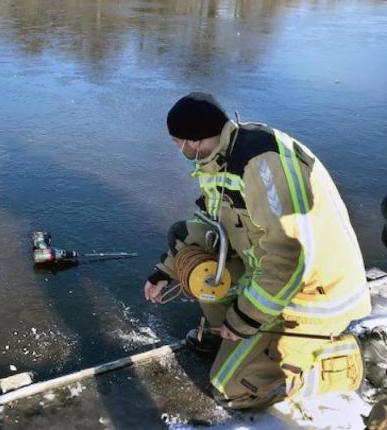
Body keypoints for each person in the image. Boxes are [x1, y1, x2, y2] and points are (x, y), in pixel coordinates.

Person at [144, 92, 371, 409]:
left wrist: (243, 320)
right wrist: (165, 271)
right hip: (268, 275)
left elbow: (288, 257)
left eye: (177, 143)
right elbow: (210, 225)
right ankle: (222, 332)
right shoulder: (220, 155)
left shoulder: (262, 164)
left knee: (233, 390)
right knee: (189, 243)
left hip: (310, 295)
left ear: (192, 142)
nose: (178, 150)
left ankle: (342, 365)